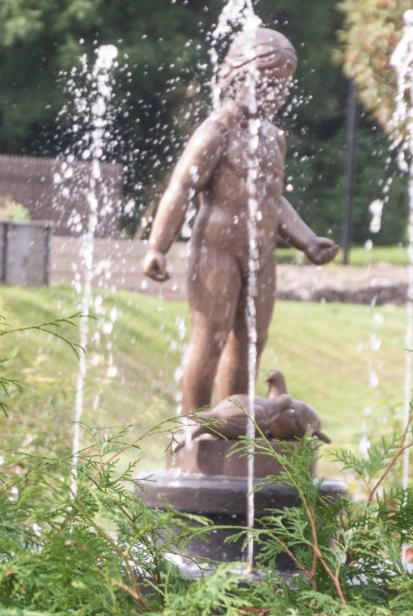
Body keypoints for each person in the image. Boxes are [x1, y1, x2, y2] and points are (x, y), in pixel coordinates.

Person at [141, 27, 338, 416]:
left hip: (261, 256)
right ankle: (194, 426)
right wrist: (156, 247)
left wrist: (306, 240)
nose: (278, 95)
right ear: (240, 78)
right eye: (269, 85)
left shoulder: (272, 138)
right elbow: (180, 188)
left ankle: (236, 423)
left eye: (283, 87)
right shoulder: (216, 131)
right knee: (211, 337)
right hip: (216, 253)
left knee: (251, 342)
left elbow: (272, 197)